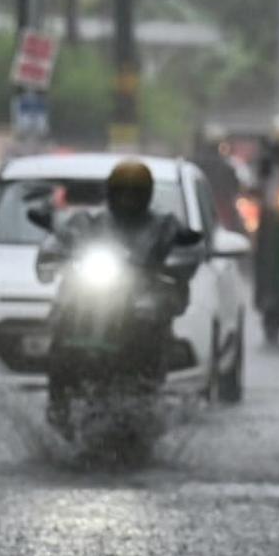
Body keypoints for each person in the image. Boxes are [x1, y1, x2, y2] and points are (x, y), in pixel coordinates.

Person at [39, 159, 199, 433]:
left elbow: (186, 248)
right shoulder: (88, 220)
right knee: (63, 307)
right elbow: (61, 236)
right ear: (110, 192)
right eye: (122, 191)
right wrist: (53, 252)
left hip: (141, 297)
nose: (127, 198)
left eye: (135, 192)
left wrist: (183, 254)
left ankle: (145, 391)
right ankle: (59, 398)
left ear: (146, 195)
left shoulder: (164, 225)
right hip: (94, 291)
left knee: (152, 318)